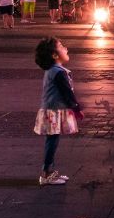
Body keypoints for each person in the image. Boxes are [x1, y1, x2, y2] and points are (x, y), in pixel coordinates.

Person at [33, 37, 82, 186]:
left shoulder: (53, 70)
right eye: (61, 46)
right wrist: (76, 108)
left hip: (51, 110)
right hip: (53, 112)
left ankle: (50, 171)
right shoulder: (58, 72)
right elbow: (67, 93)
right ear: (54, 55)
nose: (66, 49)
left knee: (52, 141)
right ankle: (46, 174)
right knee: (52, 142)